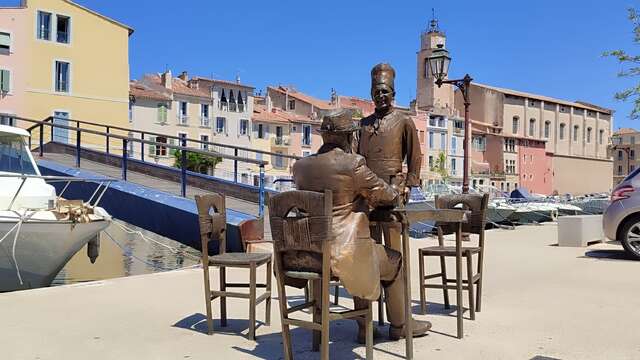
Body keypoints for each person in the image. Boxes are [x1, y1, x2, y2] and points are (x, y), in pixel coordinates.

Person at [292, 109, 430, 342]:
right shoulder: (352, 165)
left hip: (311, 255)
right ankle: (400, 326)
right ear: (348, 137)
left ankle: (365, 328)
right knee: (392, 260)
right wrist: (398, 190)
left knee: (364, 254)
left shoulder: (301, 167)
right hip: (345, 253)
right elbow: (387, 195)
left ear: (324, 136)